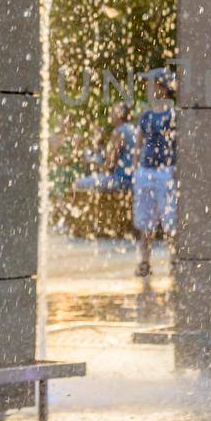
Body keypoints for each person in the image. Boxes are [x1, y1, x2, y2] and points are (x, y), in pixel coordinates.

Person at [132, 70, 177, 278]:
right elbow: (138, 143)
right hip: (145, 172)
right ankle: (144, 262)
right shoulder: (146, 115)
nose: (147, 89)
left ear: (161, 87)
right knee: (144, 223)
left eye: (150, 84)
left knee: (171, 222)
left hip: (166, 172)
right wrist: (135, 169)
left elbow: (181, 143)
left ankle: (174, 261)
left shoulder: (174, 114)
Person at [74, 103, 136, 192]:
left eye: (113, 111)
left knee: (77, 183)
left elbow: (110, 163)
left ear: (120, 114)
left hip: (121, 180)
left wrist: (98, 169)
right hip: (134, 179)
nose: (110, 113)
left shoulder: (118, 132)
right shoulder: (133, 129)